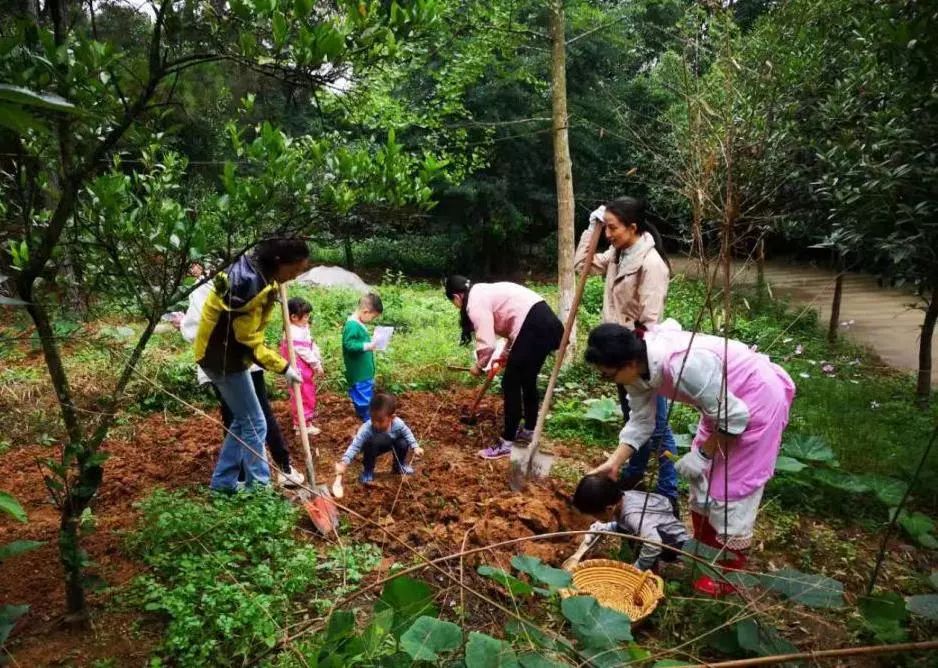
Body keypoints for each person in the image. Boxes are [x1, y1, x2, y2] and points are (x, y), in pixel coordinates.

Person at [584, 321, 795, 596]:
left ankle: (728, 575)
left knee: (729, 492)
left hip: (754, 401)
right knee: (704, 483)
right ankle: (705, 553)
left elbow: (734, 416)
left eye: (608, 375)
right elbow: (641, 422)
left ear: (630, 363)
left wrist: (704, 454)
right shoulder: (638, 372)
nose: (606, 381)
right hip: (718, 407)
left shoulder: (684, 365)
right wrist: (614, 462)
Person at [574, 197, 680, 514]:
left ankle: (668, 492)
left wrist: (631, 363)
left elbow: (651, 322)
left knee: (658, 426)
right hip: (617, 356)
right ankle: (632, 473)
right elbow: (582, 265)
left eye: (612, 228)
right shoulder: (618, 255)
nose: (608, 234)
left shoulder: (651, 265)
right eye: (605, 227)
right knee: (637, 419)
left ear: (633, 228)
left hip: (639, 359)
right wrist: (591, 228)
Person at [193, 238, 311, 492]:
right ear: (280, 262)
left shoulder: (259, 274)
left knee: (242, 420)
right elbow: (248, 342)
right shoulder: (250, 287)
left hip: (224, 354)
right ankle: (259, 489)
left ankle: (223, 483)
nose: (295, 276)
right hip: (223, 358)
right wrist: (284, 367)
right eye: (295, 269)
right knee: (256, 422)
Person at [444, 276, 563, 460]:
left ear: (456, 297)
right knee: (527, 380)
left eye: (453, 303)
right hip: (547, 324)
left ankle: (506, 442)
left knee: (510, 383)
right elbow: (513, 326)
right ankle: (529, 430)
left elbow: (488, 345)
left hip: (533, 326)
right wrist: (505, 355)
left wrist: (479, 365)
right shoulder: (483, 290)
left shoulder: (474, 302)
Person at [572, 474, 690, 572]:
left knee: (645, 545)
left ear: (609, 509)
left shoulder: (632, 516)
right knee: (632, 533)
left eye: (595, 515)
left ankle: (655, 569)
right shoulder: (622, 498)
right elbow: (622, 526)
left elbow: (654, 543)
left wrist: (636, 569)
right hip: (655, 529)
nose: (594, 517)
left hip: (674, 543)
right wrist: (599, 528)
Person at [334, 392, 424, 484]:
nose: (376, 424)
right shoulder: (367, 428)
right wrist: (344, 462)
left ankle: (399, 466)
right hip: (374, 447)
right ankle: (368, 471)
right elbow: (355, 445)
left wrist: (415, 446)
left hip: (392, 443)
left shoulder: (398, 424)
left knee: (403, 442)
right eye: (373, 419)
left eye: (380, 421)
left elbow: (407, 433)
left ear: (392, 417)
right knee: (371, 444)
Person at [280, 297, 323, 435]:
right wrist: (316, 364)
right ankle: (301, 425)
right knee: (302, 394)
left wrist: (316, 353)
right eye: (304, 317)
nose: (307, 319)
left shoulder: (301, 327)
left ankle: (304, 421)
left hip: (304, 369)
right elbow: (303, 351)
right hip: (298, 370)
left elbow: (309, 342)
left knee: (305, 393)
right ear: (293, 317)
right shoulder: (292, 332)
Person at [343, 293, 383, 421]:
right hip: (360, 372)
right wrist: (368, 346)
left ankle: (363, 415)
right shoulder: (352, 325)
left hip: (363, 371)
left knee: (362, 393)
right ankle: (367, 420)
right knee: (363, 396)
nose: (372, 320)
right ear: (365, 311)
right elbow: (349, 345)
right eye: (373, 317)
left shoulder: (358, 323)